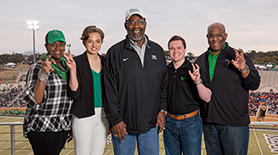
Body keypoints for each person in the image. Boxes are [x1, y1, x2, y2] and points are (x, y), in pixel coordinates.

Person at [104, 8, 168, 155]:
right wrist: (116, 120)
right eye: (132, 22)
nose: (136, 25)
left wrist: (162, 110)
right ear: (125, 25)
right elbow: (109, 90)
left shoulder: (157, 51)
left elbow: (164, 85)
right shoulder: (115, 52)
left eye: (140, 21)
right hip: (123, 126)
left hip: (151, 125)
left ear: (145, 24)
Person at [195, 22, 261, 155]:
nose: (215, 39)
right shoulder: (200, 60)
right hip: (210, 123)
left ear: (225, 36)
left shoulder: (237, 56)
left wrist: (244, 69)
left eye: (219, 35)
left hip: (234, 124)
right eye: (211, 36)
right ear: (207, 37)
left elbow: (254, 84)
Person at [23, 29, 76, 155]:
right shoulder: (37, 67)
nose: (58, 48)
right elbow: (36, 100)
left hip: (62, 126)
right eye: (53, 44)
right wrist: (44, 74)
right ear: (46, 46)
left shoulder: (66, 66)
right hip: (43, 127)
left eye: (61, 44)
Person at [163, 35, 212, 155]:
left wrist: (197, 82)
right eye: (172, 48)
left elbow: (207, 97)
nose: (175, 51)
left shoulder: (194, 69)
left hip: (190, 123)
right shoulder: (166, 70)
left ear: (185, 49)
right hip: (169, 122)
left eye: (179, 48)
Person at [68, 25, 109, 155]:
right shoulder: (77, 62)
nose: (94, 45)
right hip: (83, 116)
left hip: (103, 116)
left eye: (97, 41)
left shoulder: (106, 62)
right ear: (84, 42)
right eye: (90, 41)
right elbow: (74, 91)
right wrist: (73, 70)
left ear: (101, 42)